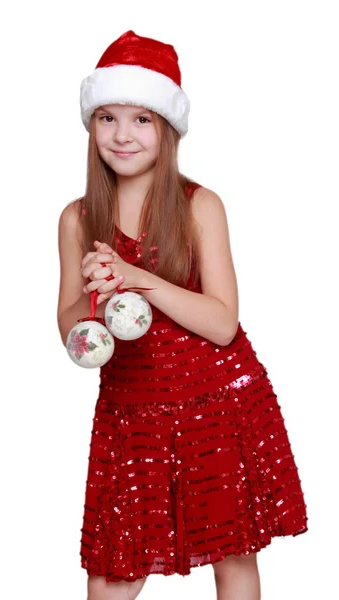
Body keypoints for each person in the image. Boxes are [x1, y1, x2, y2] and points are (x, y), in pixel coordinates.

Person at [57, 30, 308, 600]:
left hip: (215, 402)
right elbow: (69, 332)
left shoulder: (200, 206)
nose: (122, 135)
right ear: (90, 126)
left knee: (233, 553)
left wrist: (141, 278)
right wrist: (98, 296)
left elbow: (223, 323)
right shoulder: (77, 219)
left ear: (167, 130)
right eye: (108, 118)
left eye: (141, 119)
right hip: (132, 410)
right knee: (112, 573)